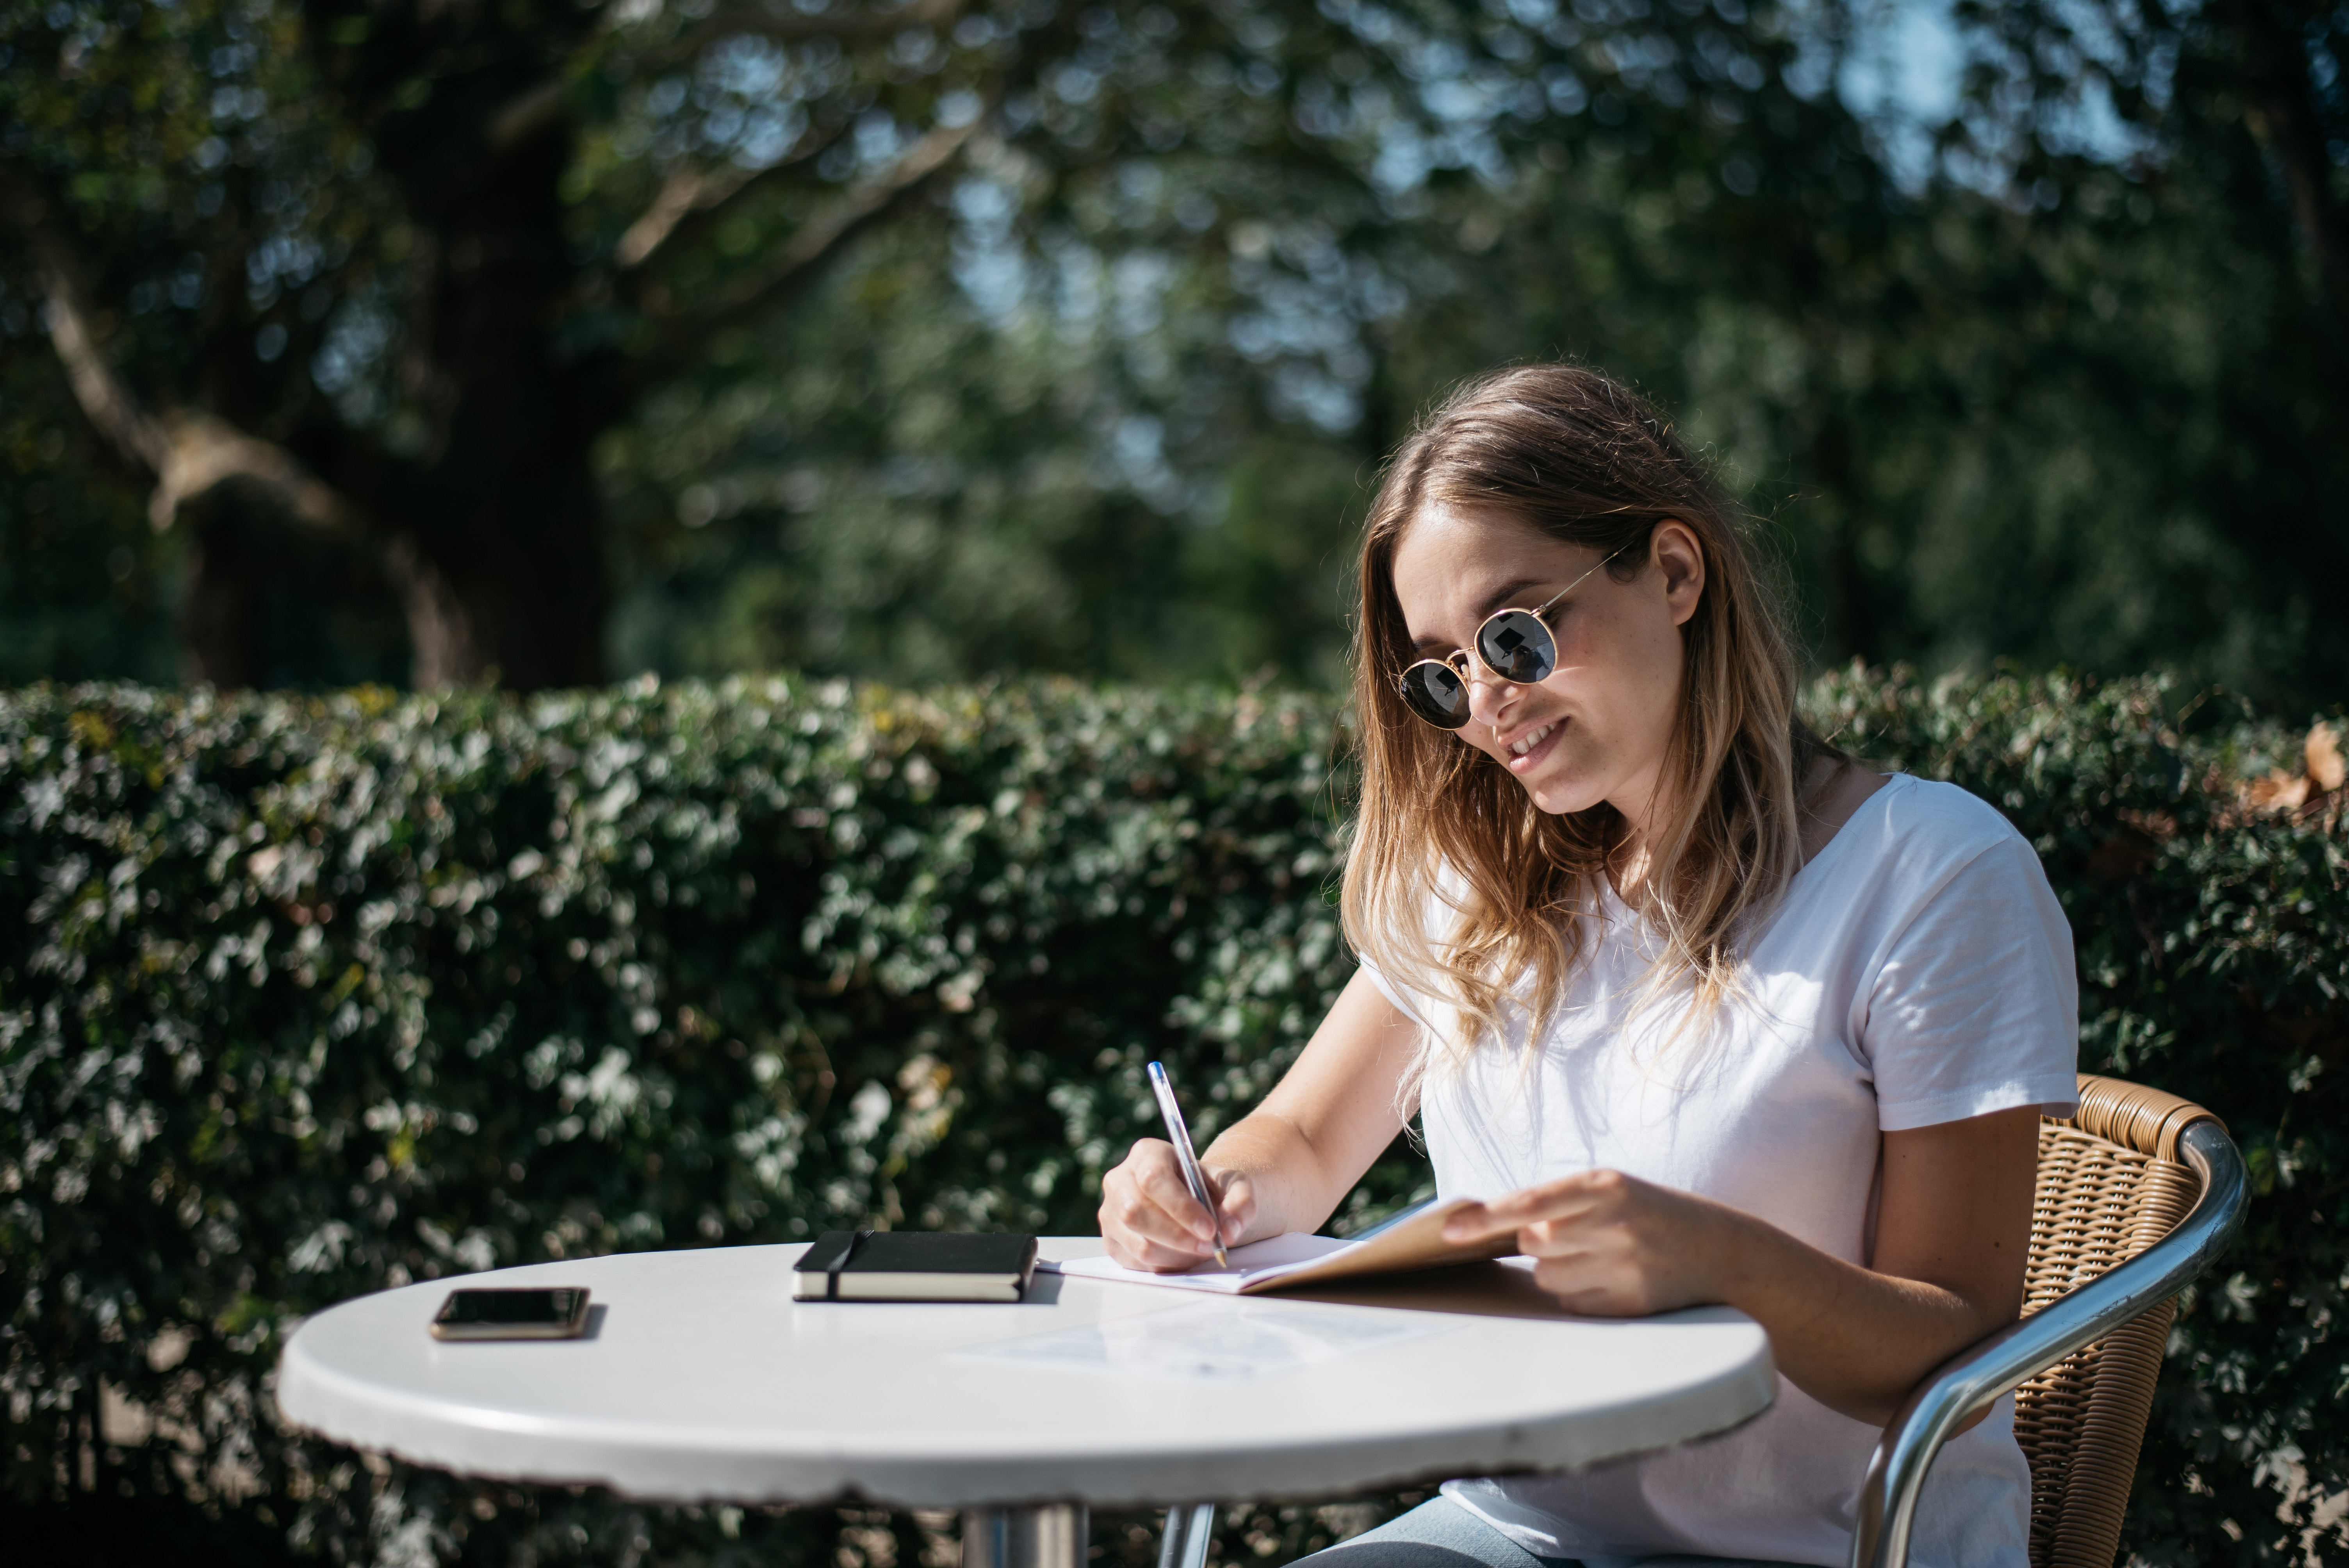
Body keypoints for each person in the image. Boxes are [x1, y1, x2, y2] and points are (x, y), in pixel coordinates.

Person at [1096, 365, 2078, 1568]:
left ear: (1673, 572)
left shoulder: (1927, 873)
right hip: (1520, 1532)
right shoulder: (1487, 884)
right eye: (1441, 673)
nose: (1487, 706)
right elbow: (1299, 1144)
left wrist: (1717, 1260)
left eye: (1516, 632)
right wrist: (1207, 1193)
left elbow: (1957, 1343)